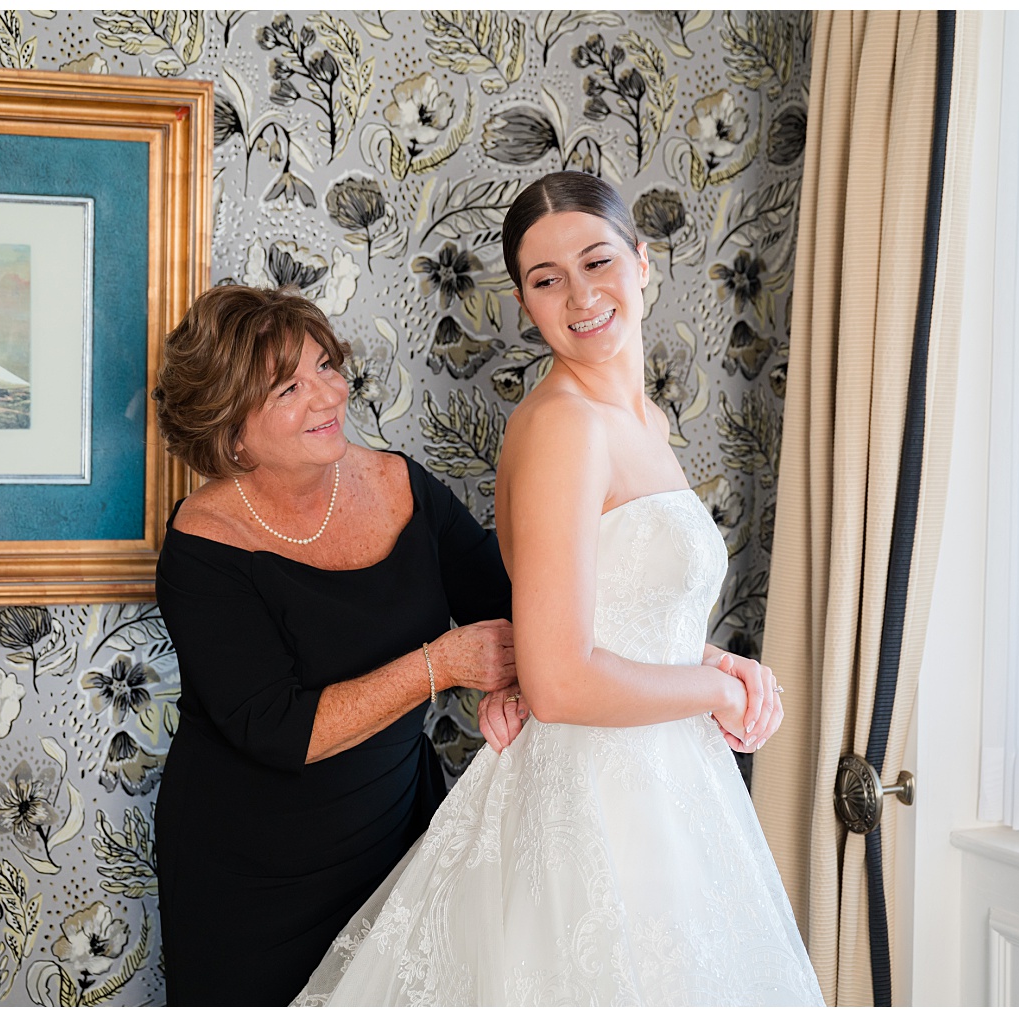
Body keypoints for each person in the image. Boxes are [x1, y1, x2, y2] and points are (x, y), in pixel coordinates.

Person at [295, 172, 824, 1006]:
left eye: (598, 261)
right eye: (547, 280)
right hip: (595, 796)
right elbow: (560, 677)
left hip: (666, 785)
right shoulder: (561, 426)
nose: (581, 295)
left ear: (643, 263)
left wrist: (722, 666)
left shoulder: (645, 424)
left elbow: (623, 609)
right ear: (524, 301)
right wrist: (714, 688)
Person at [150, 285, 529, 1006]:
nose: (328, 394)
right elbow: (277, 726)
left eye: (326, 364)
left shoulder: (401, 485)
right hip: (248, 874)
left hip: (391, 835)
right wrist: (440, 664)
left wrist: (549, 671)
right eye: (288, 386)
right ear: (230, 427)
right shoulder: (203, 547)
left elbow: (509, 604)